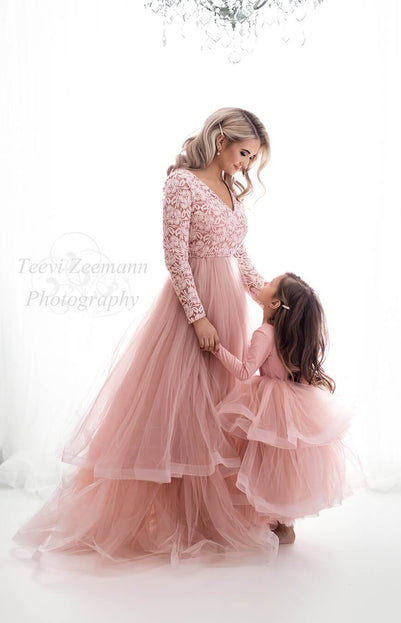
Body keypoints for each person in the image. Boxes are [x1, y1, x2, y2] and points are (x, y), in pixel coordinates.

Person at [12, 108, 282, 568]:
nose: (246, 166)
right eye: (243, 154)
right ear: (221, 140)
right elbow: (175, 256)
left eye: (252, 159)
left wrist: (270, 299)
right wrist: (197, 317)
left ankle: (205, 516)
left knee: (216, 412)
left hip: (229, 311)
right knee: (178, 410)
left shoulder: (233, 193)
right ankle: (168, 517)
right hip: (191, 312)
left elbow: (241, 257)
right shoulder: (182, 183)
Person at [211, 272, 369, 545]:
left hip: (268, 404)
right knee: (281, 462)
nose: (264, 283)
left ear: (274, 304)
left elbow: (245, 371)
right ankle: (283, 524)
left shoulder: (264, 333)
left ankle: (273, 522)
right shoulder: (286, 335)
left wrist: (216, 348)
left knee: (263, 460)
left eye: (270, 284)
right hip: (289, 403)